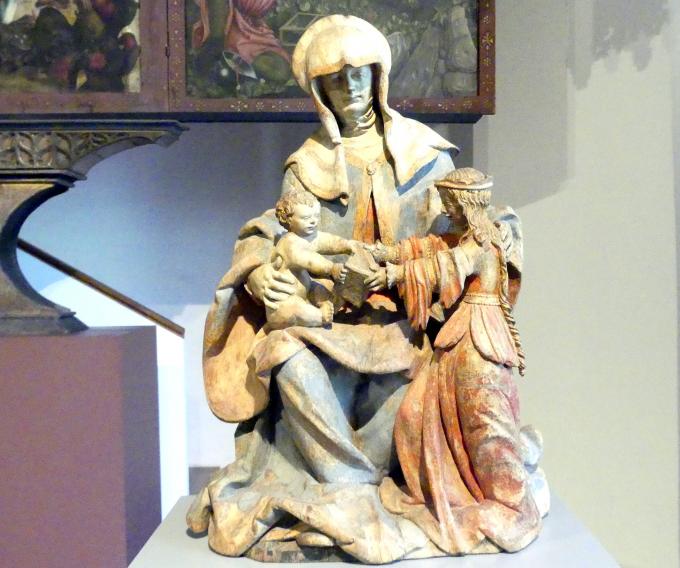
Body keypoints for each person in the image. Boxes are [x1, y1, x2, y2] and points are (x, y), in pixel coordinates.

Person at [187, 15, 466, 563]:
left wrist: (413, 274)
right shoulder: (306, 165)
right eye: (336, 79)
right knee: (283, 356)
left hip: (406, 327)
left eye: (360, 73)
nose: (351, 87)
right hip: (329, 327)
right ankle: (352, 495)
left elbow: (463, 237)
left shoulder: (427, 154)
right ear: (319, 92)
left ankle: (350, 496)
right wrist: (259, 270)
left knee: (406, 402)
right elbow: (274, 232)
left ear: (379, 77)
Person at [368, 168, 547, 555]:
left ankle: (509, 502)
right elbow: (432, 249)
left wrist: (393, 276)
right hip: (458, 336)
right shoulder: (465, 236)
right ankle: (445, 485)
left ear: (465, 204)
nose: (444, 208)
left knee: (484, 421)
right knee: (416, 412)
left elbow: (446, 266)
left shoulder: (482, 241)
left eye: (449, 201)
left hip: (478, 336)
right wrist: (388, 253)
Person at [264, 189, 355, 330]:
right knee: (296, 308)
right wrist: (331, 268)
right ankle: (321, 316)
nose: (313, 221)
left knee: (317, 287)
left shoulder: (306, 236)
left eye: (316, 216)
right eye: (306, 218)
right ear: (288, 219)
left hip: (303, 292)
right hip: (283, 304)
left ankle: (324, 305)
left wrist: (347, 245)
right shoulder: (289, 243)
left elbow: (328, 241)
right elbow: (309, 260)